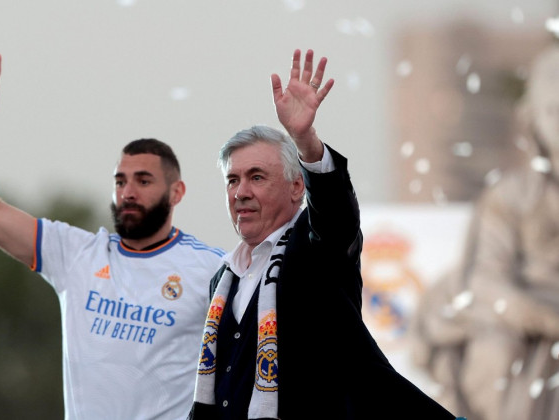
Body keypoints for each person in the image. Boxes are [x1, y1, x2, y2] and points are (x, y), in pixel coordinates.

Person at [187, 49, 459, 419]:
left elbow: (335, 219)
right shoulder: (224, 277)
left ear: (298, 187)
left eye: (257, 177)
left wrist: (306, 142)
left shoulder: (313, 250)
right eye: (232, 180)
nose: (241, 192)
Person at [0, 54, 225, 420]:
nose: (128, 192)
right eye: (120, 181)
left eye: (143, 181)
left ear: (176, 192)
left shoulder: (213, 268)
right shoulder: (76, 254)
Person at [411, 43, 559, 420]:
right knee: (495, 353)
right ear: (532, 121)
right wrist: (545, 319)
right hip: (523, 316)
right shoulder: (511, 196)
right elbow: (486, 284)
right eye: (554, 111)